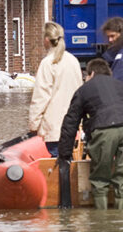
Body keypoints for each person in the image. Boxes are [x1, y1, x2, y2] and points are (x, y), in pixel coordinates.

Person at [57, 59, 123, 209]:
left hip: (104, 131)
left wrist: (64, 154)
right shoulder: (122, 86)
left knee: (100, 180)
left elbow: (70, 122)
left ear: (91, 73)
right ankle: (122, 218)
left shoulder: (83, 90)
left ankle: (101, 220)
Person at [28, 22, 83, 157]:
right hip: (73, 124)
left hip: (55, 126)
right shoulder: (73, 60)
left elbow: (41, 97)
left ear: (46, 39)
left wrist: (33, 124)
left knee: (58, 161)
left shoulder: (47, 63)